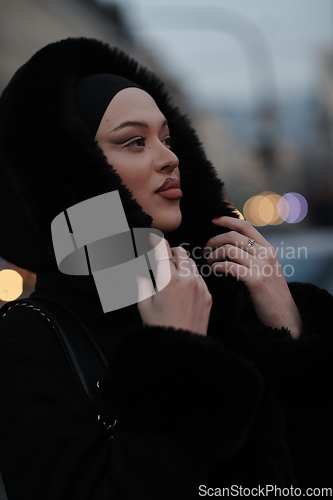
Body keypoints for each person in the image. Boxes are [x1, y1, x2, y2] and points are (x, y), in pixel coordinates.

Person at [0, 37, 332, 499]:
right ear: (74, 171)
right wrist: (177, 355)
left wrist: (289, 330)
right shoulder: (28, 340)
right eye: (134, 142)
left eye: (167, 138)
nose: (169, 157)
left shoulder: (227, 300)